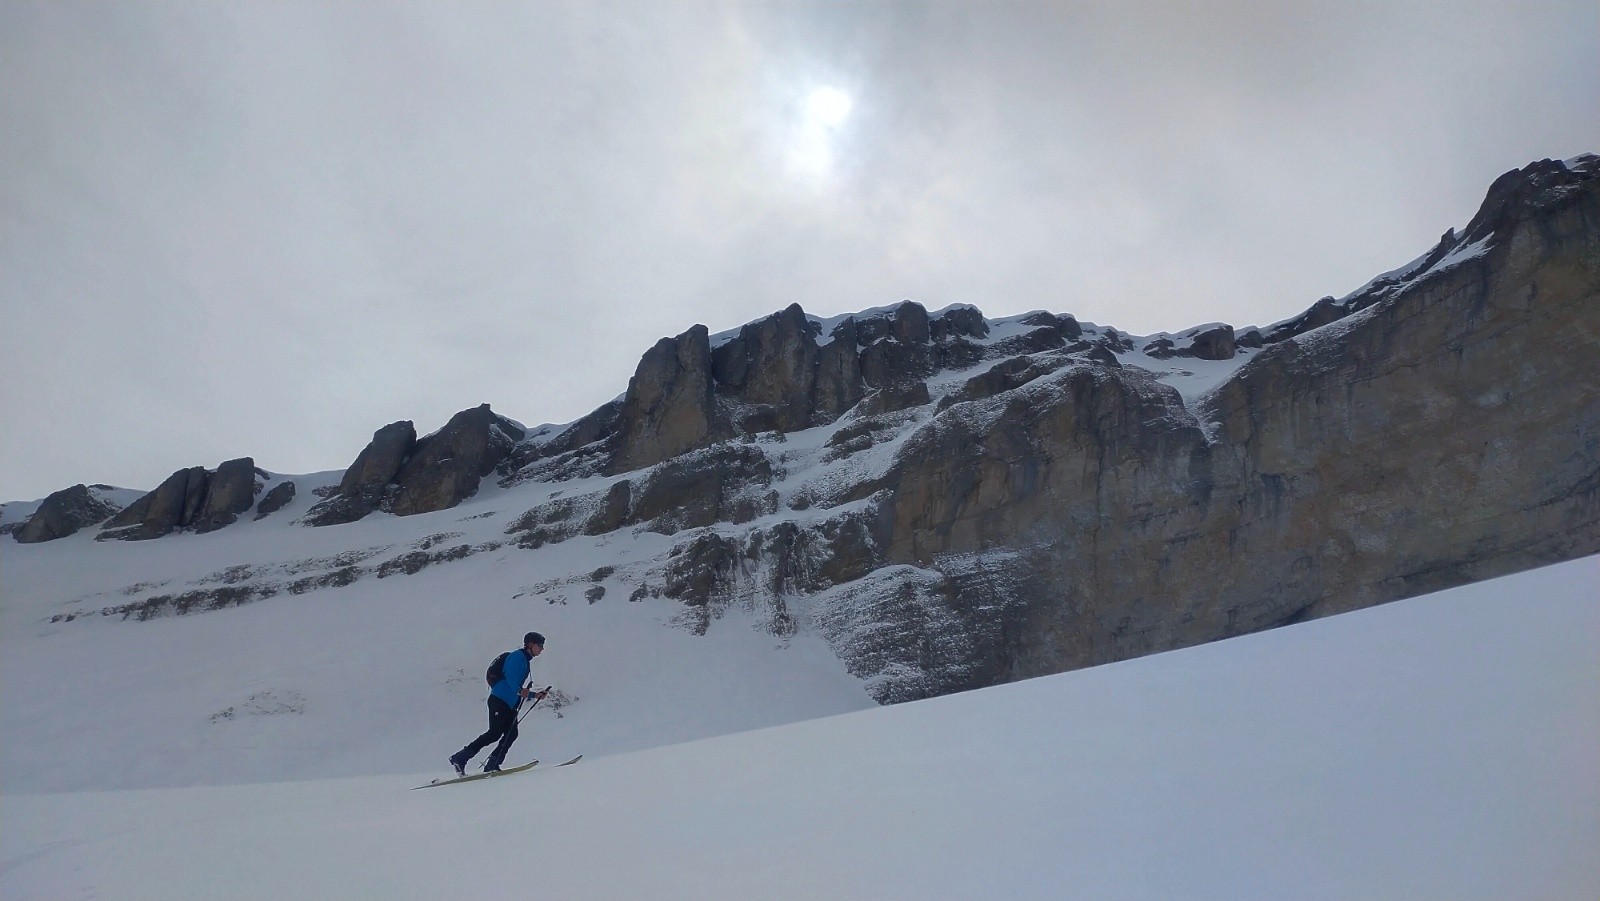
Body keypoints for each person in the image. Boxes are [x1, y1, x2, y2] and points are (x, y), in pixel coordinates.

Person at [450, 632, 548, 774]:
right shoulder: (517, 657)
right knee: (494, 733)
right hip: (499, 700)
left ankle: (492, 764)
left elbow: (515, 686)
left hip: (507, 704)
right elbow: (513, 682)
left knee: (511, 734)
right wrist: (528, 693)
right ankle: (460, 758)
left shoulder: (524, 660)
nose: (542, 649)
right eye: (540, 645)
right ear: (531, 644)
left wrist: (534, 695)